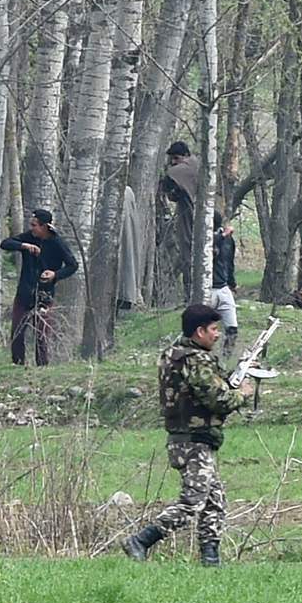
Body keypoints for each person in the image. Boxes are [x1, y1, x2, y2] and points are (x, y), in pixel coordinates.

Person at [121, 304, 254, 567]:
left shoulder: (176, 354)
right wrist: (243, 394)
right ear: (199, 331)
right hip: (193, 439)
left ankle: (210, 561)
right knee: (193, 502)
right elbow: (218, 399)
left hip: (190, 438)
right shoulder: (196, 360)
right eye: (214, 330)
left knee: (215, 502)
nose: (217, 335)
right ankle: (141, 540)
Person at [0, 209, 78, 366]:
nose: (32, 228)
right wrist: (23, 246)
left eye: (35, 225)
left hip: (44, 294)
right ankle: (17, 364)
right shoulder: (28, 237)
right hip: (24, 292)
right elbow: (5, 244)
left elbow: (72, 265)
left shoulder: (57, 243)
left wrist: (55, 274)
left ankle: (42, 365)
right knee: (17, 331)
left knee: (42, 333)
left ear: (44, 227)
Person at [160, 141, 201, 302]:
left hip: (190, 216)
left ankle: (190, 295)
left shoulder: (185, 167)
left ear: (183, 156)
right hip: (200, 214)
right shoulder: (198, 164)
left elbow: (168, 181)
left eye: (175, 158)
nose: (174, 162)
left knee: (188, 252)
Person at [210, 211, 238, 359]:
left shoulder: (228, 240)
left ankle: (225, 359)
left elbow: (229, 263)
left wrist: (232, 284)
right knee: (200, 329)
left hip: (222, 287)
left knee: (232, 327)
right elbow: (209, 249)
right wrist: (222, 236)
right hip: (206, 289)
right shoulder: (204, 238)